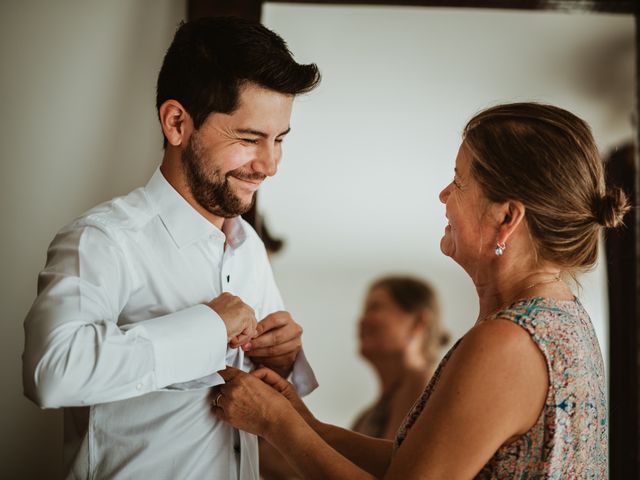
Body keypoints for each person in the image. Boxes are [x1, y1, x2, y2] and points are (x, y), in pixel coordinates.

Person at [212, 102, 629, 478]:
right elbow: (413, 463)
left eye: (459, 181)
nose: (444, 195)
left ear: (507, 218)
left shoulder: (510, 342)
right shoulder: (563, 319)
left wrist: (275, 425)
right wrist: (308, 424)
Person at [22, 16, 320, 479]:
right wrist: (207, 327)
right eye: (249, 138)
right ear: (177, 123)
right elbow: (52, 372)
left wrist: (277, 360)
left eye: (279, 140)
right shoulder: (103, 240)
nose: (270, 165)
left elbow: (260, 410)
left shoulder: (250, 249)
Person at [352, 275, 448, 439]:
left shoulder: (424, 385)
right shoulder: (367, 415)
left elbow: (392, 461)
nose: (362, 320)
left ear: (419, 322)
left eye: (375, 308)